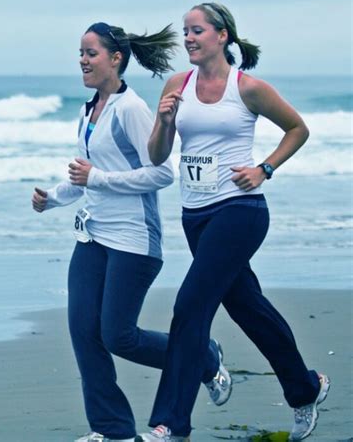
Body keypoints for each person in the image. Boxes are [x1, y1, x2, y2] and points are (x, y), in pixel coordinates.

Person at [136, 3, 330, 442]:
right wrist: (165, 121)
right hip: (196, 215)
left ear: (222, 36)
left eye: (197, 30)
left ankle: (170, 424)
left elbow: (297, 129)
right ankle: (305, 388)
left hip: (240, 211)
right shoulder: (175, 86)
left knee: (189, 306)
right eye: (185, 31)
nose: (188, 38)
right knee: (247, 306)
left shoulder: (248, 88)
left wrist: (265, 168)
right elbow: (157, 154)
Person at [32, 22, 231, 442]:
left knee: (118, 336)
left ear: (115, 58)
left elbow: (161, 173)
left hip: (134, 242)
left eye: (91, 54)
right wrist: (51, 197)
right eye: (81, 54)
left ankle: (204, 357)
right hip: (93, 237)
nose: (83, 61)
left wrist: (98, 179)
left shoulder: (130, 109)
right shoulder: (90, 109)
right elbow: (85, 175)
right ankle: (114, 430)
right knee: (84, 335)